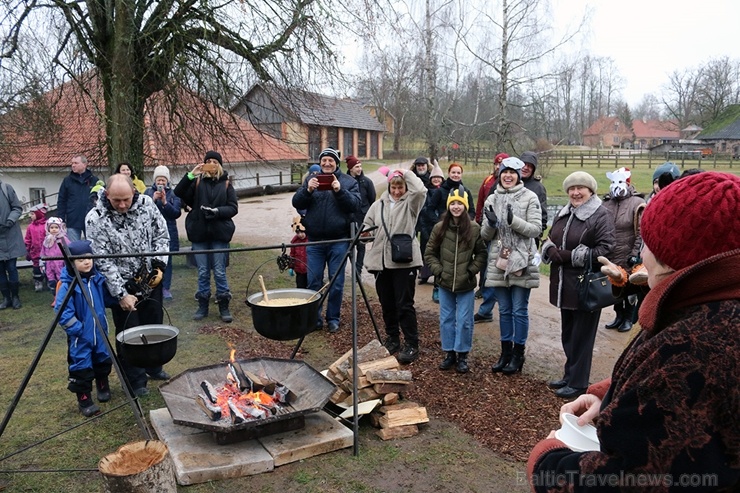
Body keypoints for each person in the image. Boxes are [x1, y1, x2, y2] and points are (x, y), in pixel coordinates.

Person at [528, 172, 740, 492]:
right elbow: (675, 394)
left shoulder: (696, 350)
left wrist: (547, 463)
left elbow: (633, 478)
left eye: (650, 245)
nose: (643, 255)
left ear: (675, 257)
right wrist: (613, 394)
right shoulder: (712, 313)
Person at [85, 174, 170, 397]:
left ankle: (154, 366)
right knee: (129, 333)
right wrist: (121, 293)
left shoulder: (147, 205)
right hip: (121, 284)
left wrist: (159, 265)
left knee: (154, 324)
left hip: (150, 278)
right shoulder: (95, 218)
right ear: (106, 195)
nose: (122, 205)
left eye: (126, 199)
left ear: (134, 192)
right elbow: (102, 260)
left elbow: (162, 234)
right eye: (116, 201)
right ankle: (135, 380)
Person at [541, 171, 615, 399]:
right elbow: (551, 238)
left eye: (580, 188)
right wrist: (549, 248)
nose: (575, 192)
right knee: (569, 334)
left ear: (590, 190)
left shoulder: (600, 215)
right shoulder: (564, 214)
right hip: (565, 285)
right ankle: (569, 375)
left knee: (582, 337)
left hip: (585, 287)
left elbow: (606, 248)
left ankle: (579, 383)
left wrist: (569, 256)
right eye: (571, 189)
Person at [480, 157, 542, 375]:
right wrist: (490, 223)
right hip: (499, 259)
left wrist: (512, 219)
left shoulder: (529, 197)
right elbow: (485, 236)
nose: (508, 176)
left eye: (512, 173)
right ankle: (505, 352)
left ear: (519, 175)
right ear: (499, 174)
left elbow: (535, 229)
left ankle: (518, 353)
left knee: (518, 309)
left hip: (521, 259)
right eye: (504, 172)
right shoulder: (492, 198)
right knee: (504, 310)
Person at [291, 147, 361, 334]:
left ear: (336, 163)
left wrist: (339, 191)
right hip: (315, 242)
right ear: (320, 163)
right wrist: (307, 190)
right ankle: (315, 318)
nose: (327, 164)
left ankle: (333, 318)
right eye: (324, 161)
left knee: (336, 281)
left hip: (339, 240)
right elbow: (297, 203)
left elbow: (355, 205)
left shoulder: (348, 181)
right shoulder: (311, 179)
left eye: (331, 161)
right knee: (313, 281)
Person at [362, 168, 427, 364]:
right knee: (387, 304)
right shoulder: (378, 205)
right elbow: (367, 224)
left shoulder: (411, 203)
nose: (397, 191)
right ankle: (392, 338)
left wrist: (405, 172)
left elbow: (421, 190)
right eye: (394, 186)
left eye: (400, 187)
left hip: (403, 261)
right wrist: (364, 233)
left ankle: (411, 343)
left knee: (404, 305)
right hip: (381, 263)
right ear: (389, 186)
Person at [425, 187, 487, 373]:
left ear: (465, 206)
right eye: (453, 203)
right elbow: (430, 253)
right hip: (445, 282)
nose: (456, 207)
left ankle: (462, 354)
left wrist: (471, 270)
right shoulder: (440, 228)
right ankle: (449, 352)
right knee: (446, 319)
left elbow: (482, 254)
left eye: (460, 203)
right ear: (448, 206)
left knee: (464, 320)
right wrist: (439, 271)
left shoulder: (474, 228)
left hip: (465, 283)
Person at [54, 240, 116, 417]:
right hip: (81, 337)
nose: (86, 262)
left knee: (103, 360)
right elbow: (62, 311)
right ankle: (84, 399)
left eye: (89, 258)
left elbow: (106, 299)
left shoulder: (97, 279)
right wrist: (77, 329)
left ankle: (103, 385)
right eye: (80, 260)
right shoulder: (68, 285)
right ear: (72, 263)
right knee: (81, 366)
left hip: (100, 331)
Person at [175, 150, 238, 323]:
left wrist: (217, 212)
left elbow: (233, 207)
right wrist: (191, 174)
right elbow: (178, 192)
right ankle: (203, 305)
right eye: (208, 161)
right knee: (202, 271)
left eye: (214, 161)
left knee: (219, 271)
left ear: (219, 164)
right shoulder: (196, 183)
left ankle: (223, 304)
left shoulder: (226, 184)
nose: (211, 163)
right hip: (200, 233)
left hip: (219, 233)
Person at [600, 167, 646, 333]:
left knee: (630, 288)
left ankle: (628, 317)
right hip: (611, 253)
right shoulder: (606, 203)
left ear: (627, 182)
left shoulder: (637, 203)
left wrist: (635, 254)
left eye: (620, 181)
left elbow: (642, 231)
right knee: (615, 285)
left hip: (628, 252)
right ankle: (618, 315)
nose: (616, 185)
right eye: (613, 182)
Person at [145, 165, 181, 300]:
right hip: (151, 233)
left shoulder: (173, 194)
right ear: (155, 180)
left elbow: (176, 213)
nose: (161, 183)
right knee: (150, 261)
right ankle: (151, 286)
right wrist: (153, 200)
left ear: (167, 181)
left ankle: (166, 287)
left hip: (168, 232)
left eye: (163, 180)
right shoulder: (147, 193)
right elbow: (143, 212)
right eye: (158, 180)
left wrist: (165, 202)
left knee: (167, 262)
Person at [345, 155, 376, 275]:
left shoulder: (367, 182)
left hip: (363, 217)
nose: (359, 169)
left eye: (360, 166)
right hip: (349, 218)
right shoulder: (345, 181)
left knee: (361, 245)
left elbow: (372, 198)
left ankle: (358, 269)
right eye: (357, 166)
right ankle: (353, 268)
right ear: (351, 168)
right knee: (350, 245)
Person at [56, 154, 99, 241]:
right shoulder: (67, 181)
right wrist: (61, 219)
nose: (73, 165)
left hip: (90, 221)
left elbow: (101, 200)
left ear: (84, 164)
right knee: (74, 250)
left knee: (93, 249)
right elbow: (61, 200)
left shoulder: (94, 181)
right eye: (72, 163)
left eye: (76, 163)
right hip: (73, 220)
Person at [417, 162, 444, 287]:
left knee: (440, 252)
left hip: (442, 224)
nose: (436, 180)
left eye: (438, 178)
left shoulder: (445, 191)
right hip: (427, 225)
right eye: (434, 178)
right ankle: (425, 274)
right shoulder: (426, 191)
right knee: (427, 251)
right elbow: (424, 209)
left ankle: (438, 276)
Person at [0, 178, 26, 309]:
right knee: (0, 271)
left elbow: (17, 207)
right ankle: (6, 298)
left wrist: (10, 220)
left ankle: (15, 297)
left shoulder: (6, 188)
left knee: (11, 267)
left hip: (10, 234)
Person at [519, 151, 548, 246]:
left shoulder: (538, 188)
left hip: (529, 238)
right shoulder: (508, 181)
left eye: (529, 166)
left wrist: (537, 235)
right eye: (524, 164)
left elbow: (542, 215)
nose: (526, 167)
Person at [475, 153, 509, 224]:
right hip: (486, 219)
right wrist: (478, 220)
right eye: (496, 164)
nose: (497, 167)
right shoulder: (488, 180)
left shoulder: (510, 182)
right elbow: (480, 201)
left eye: (500, 165)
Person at [40, 217, 69, 293]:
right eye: (51, 227)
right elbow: (43, 251)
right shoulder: (47, 240)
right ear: (48, 228)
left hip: (61, 263)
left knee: (61, 280)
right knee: (52, 280)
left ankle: (63, 295)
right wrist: (42, 262)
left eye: (56, 227)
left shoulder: (63, 239)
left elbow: (69, 248)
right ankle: (55, 296)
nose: (54, 229)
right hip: (49, 263)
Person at [24, 203, 48, 292]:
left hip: (46, 252)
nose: (31, 216)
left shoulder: (47, 225)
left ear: (38, 214)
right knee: (36, 268)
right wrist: (27, 250)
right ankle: (38, 282)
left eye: (32, 214)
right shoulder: (30, 227)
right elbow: (28, 239)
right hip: (35, 252)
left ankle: (49, 281)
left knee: (48, 267)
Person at [289, 216, 308, 289]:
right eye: (298, 233)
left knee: (311, 286)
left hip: (309, 269)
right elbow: (292, 254)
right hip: (299, 270)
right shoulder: (294, 241)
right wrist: (291, 266)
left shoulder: (310, 240)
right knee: (300, 287)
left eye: (302, 232)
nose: (300, 235)